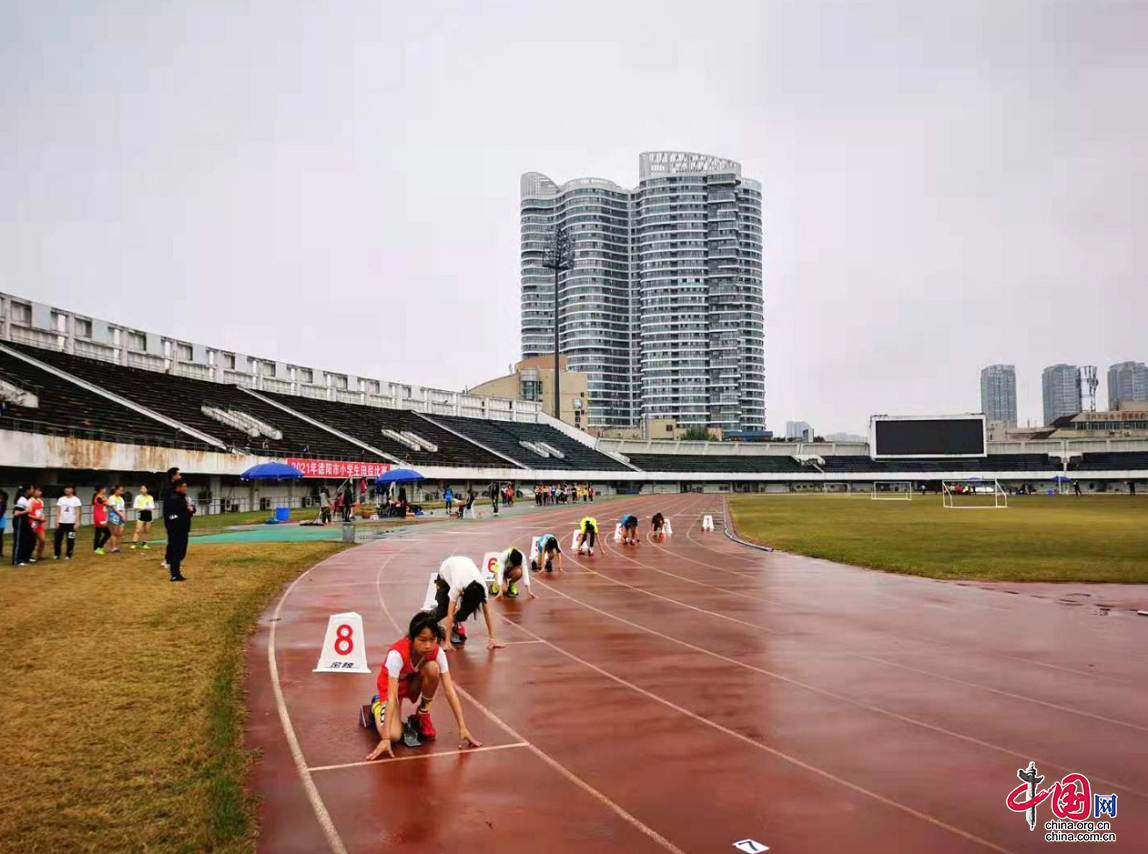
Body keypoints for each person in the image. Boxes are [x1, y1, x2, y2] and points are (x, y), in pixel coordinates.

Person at [363, 611, 482, 760]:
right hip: (391, 689)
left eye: (433, 640)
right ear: (412, 639)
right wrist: (386, 738)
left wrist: (463, 728)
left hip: (412, 683)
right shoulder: (397, 654)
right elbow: (392, 696)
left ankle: (422, 714)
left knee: (433, 668)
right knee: (394, 736)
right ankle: (376, 706)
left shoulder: (437, 653)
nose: (428, 646)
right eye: (422, 640)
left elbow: (450, 691)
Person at [425, 555, 504, 649]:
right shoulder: (457, 585)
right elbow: (450, 614)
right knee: (444, 610)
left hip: (462, 566)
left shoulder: (482, 588)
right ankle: (428, 618)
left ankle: (455, 625)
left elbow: (487, 613)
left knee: (463, 612)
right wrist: (447, 643)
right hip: (445, 572)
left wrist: (492, 639)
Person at [164, 480, 194, 581]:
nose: (185, 488)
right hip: (176, 529)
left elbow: (188, 511)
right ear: (178, 487)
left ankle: (176, 572)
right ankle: (175, 574)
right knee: (177, 551)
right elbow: (173, 514)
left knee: (181, 552)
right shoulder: (173, 498)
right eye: (184, 486)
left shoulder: (183, 498)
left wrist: (191, 509)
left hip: (184, 528)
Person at [54, 486, 82, 560]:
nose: (66, 490)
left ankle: (68, 554)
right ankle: (57, 554)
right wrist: (56, 521)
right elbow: (57, 511)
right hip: (61, 522)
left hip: (71, 523)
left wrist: (77, 523)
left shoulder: (76, 500)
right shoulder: (61, 499)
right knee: (58, 539)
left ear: (72, 490)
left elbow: (78, 512)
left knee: (70, 539)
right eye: (65, 488)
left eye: (68, 488)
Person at [162, 467, 182, 570]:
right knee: (173, 539)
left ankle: (169, 559)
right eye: (178, 474)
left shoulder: (173, 487)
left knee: (174, 539)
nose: (180, 476)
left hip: (174, 517)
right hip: (170, 517)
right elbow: (170, 504)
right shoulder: (169, 488)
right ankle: (168, 560)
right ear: (173, 476)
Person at [11, 486, 35, 566]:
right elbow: (16, 513)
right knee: (19, 540)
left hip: (24, 521)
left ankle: (25, 557)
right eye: (31, 489)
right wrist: (27, 511)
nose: (33, 490)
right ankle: (16, 560)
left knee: (29, 537)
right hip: (19, 521)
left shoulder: (26, 499)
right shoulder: (21, 500)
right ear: (27, 490)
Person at [132, 485, 155, 549]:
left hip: (148, 514)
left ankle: (144, 544)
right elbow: (135, 506)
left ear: (147, 490)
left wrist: (149, 508)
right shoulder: (138, 497)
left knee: (146, 530)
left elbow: (152, 506)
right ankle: (134, 543)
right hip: (141, 513)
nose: (142, 489)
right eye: (141, 488)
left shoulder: (150, 497)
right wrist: (143, 508)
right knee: (138, 530)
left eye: (144, 488)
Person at [107, 485, 127, 554]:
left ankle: (115, 545)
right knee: (115, 532)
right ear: (115, 490)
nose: (121, 492)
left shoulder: (121, 499)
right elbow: (114, 508)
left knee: (120, 532)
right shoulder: (111, 497)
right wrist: (121, 515)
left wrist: (124, 515)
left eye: (122, 490)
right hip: (114, 515)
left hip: (121, 514)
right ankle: (114, 548)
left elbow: (123, 508)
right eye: (120, 490)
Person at [29, 486, 47, 561]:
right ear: (33, 492)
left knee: (42, 540)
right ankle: (29, 554)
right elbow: (28, 514)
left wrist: (43, 517)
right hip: (32, 522)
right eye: (38, 491)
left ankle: (39, 555)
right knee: (32, 540)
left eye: (40, 491)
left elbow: (41, 511)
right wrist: (36, 518)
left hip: (39, 523)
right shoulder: (30, 501)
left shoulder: (40, 501)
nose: (40, 492)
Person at [92, 487, 111, 555]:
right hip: (100, 518)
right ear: (101, 489)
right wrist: (106, 499)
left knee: (98, 533)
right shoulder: (99, 497)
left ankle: (96, 548)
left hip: (99, 516)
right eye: (104, 489)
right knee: (108, 533)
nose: (105, 490)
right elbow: (108, 503)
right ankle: (99, 547)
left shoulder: (100, 496)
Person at [0, 489, 8, 559]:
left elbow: (2, 513)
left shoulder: (4, 503)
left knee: (0, 537)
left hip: (1, 522)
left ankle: (0, 552)